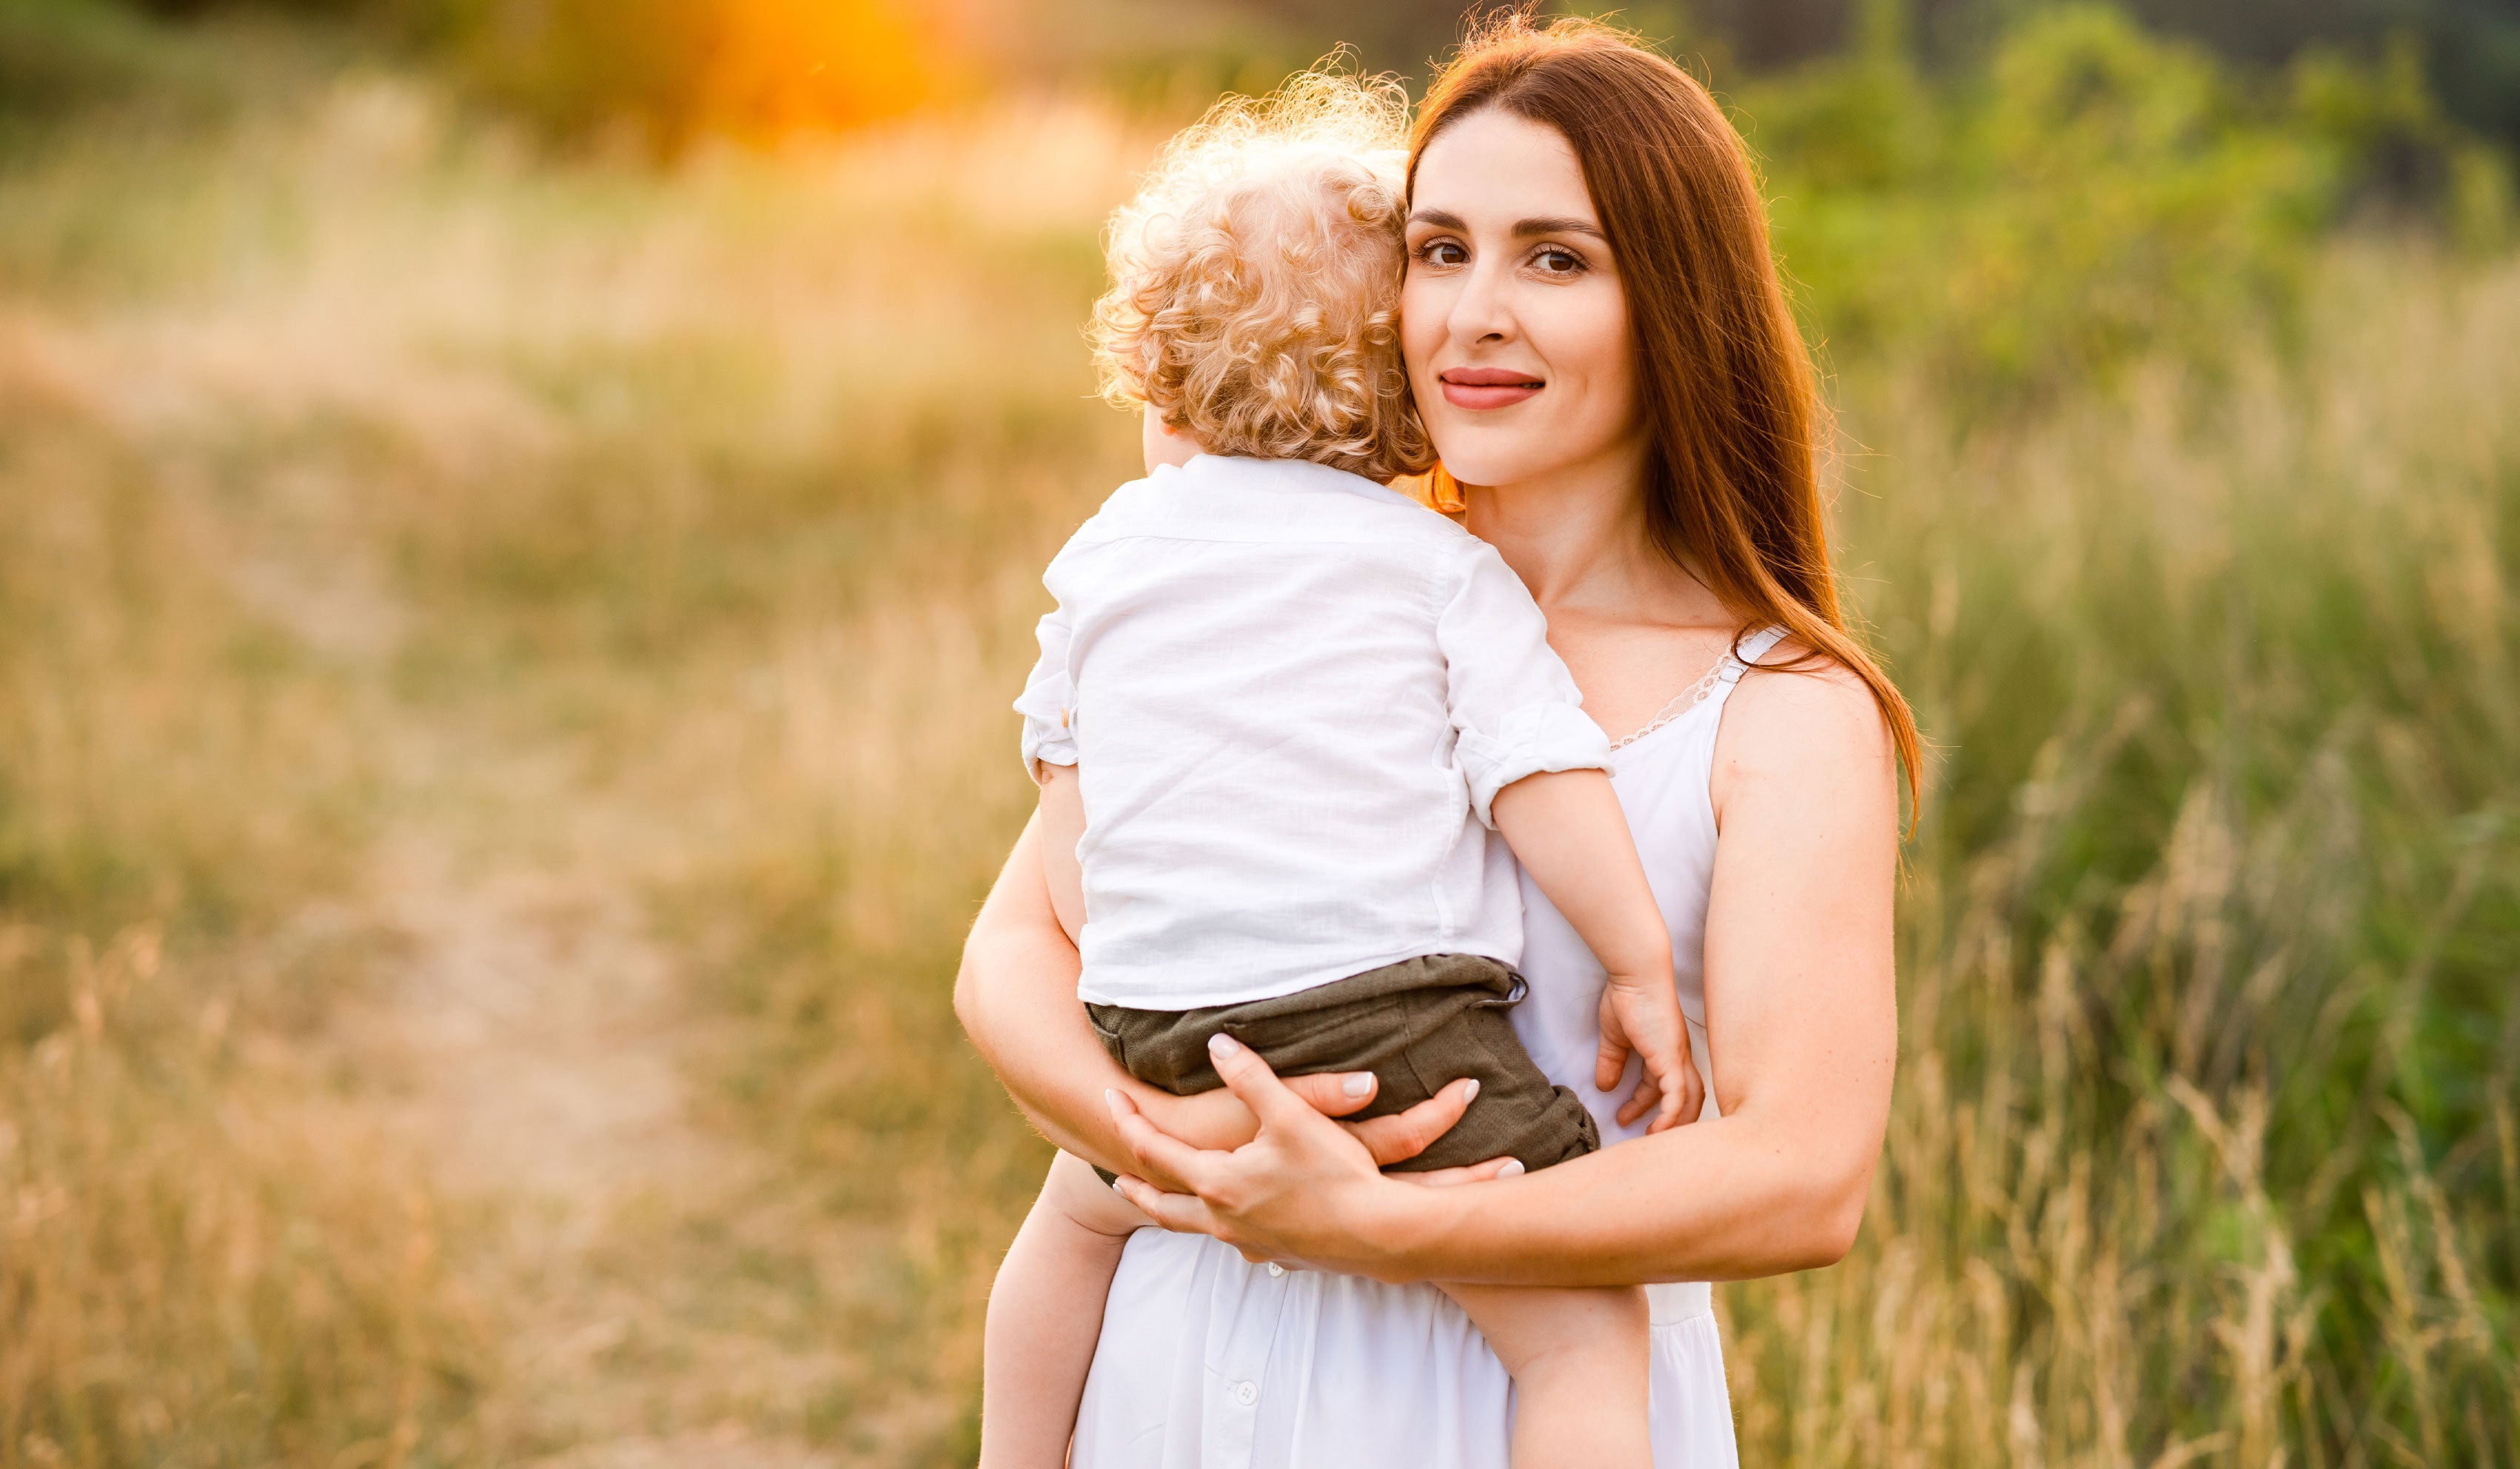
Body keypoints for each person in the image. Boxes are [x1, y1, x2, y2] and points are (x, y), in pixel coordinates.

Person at [957, 16, 1920, 1467]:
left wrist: (1377, 1222)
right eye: (1439, 247)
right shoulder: (1309, 600)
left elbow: (1803, 1178)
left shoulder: (1779, 709)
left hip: (1491, 1410)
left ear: (1673, 303)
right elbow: (1010, 951)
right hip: (1183, 1361)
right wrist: (1168, 1138)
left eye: (1555, 257)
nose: (1473, 311)